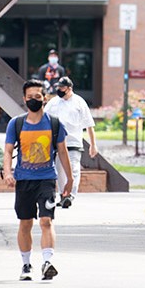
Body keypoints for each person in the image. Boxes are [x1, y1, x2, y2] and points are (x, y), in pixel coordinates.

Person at [3, 79, 73, 281]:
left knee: (46, 220)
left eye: (38, 96)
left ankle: (47, 262)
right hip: (23, 180)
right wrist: (8, 172)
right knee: (25, 223)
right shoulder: (16, 124)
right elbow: (8, 151)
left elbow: (62, 151)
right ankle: (26, 265)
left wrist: (70, 179)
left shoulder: (54, 123)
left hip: (47, 179)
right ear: (24, 99)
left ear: (45, 98)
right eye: (30, 97)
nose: (34, 100)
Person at [44, 76, 97, 208]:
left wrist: (93, 145)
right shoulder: (53, 102)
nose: (59, 90)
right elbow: (44, 119)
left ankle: (70, 195)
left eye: (62, 88)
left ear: (69, 88)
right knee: (59, 170)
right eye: (58, 88)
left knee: (73, 169)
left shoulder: (79, 102)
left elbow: (89, 125)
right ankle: (63, 194)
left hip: (74, 142)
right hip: (57, 142)